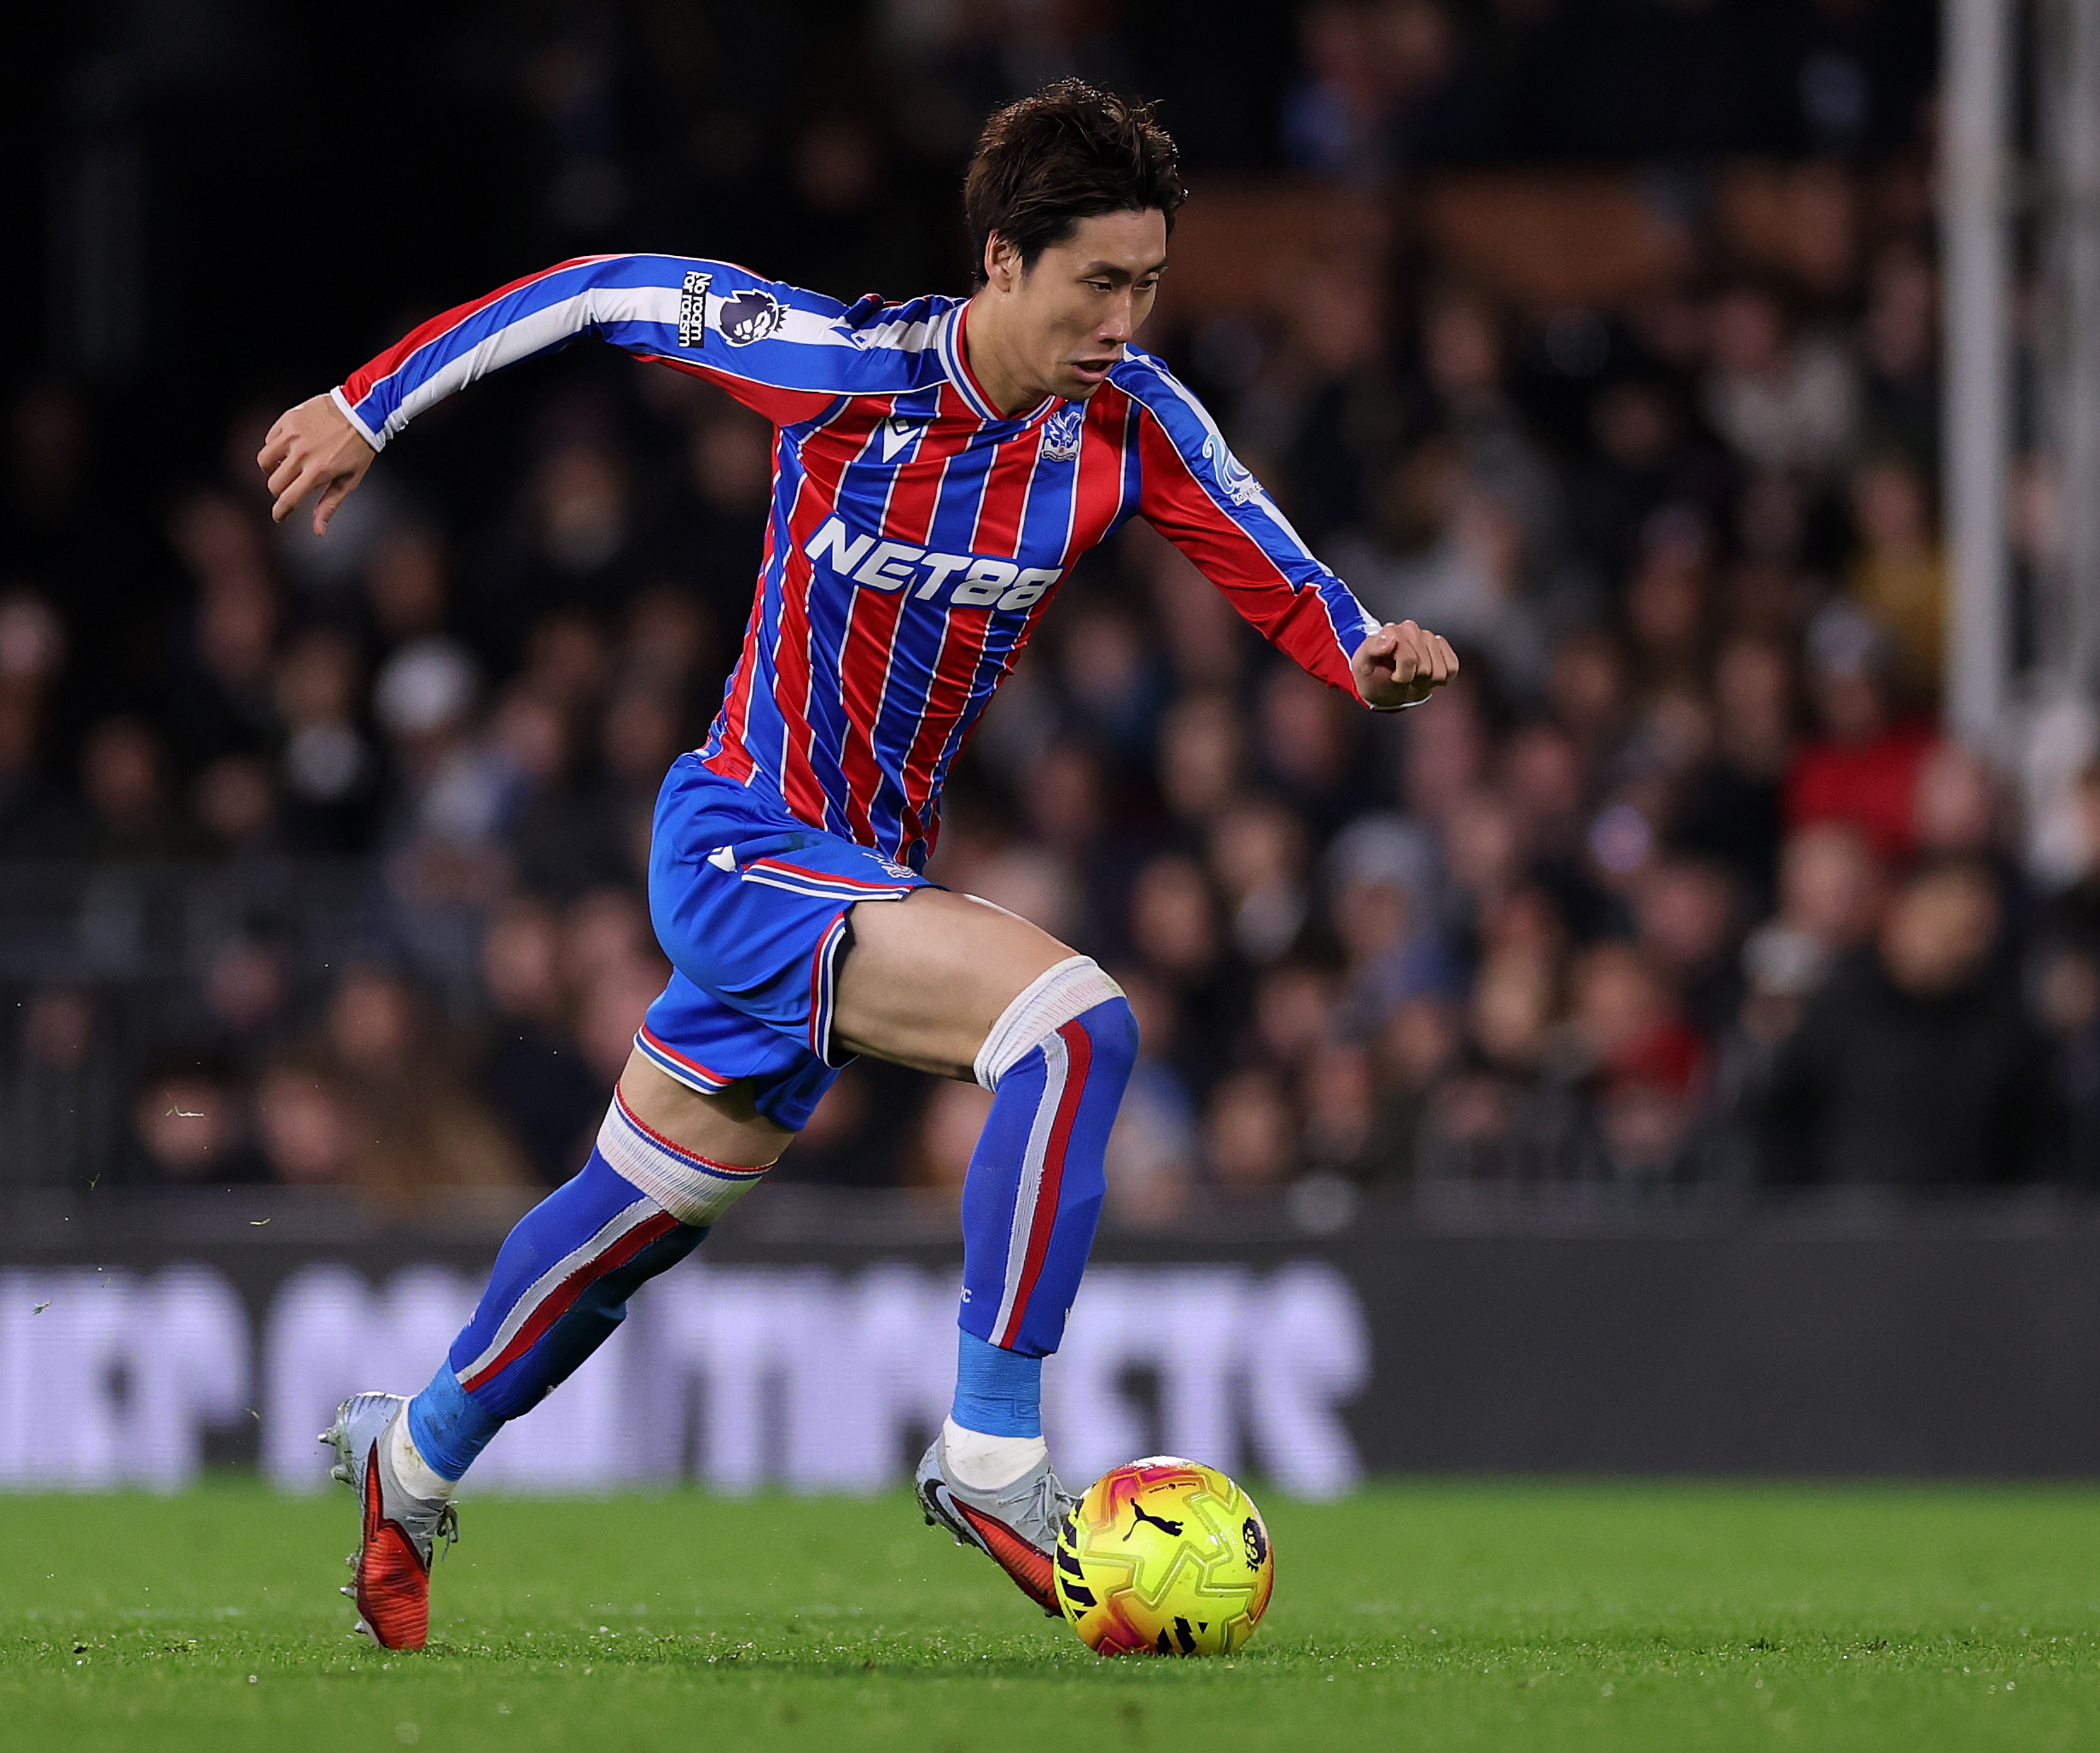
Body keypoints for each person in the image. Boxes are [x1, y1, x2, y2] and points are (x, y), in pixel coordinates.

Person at [256, 80, 1460, 1651]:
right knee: (1075, 1025)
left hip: (860, 876)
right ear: (1005, 263)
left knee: (636, 1222)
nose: (1123, 317)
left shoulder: (1135, 423)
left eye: (1147, 284)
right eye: (1096, 281)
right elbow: (607, 291)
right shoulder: (841, 367)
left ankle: (407, 1463)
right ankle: (990, 1453)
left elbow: (1271, 560)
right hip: (743, 842)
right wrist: (369, 402)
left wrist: (1359, 653)